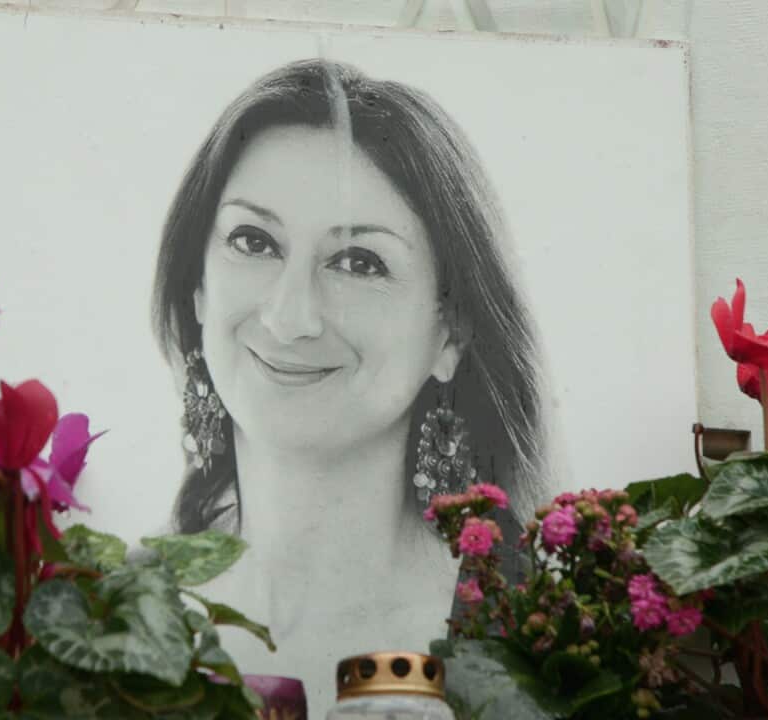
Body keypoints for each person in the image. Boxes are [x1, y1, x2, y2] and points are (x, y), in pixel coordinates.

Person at [151, 58, 548, 708]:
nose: (290, 317)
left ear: (451, 332)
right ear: (196, 286)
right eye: (254, 241)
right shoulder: (116, 608)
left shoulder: (542, 629)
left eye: (358, 262)